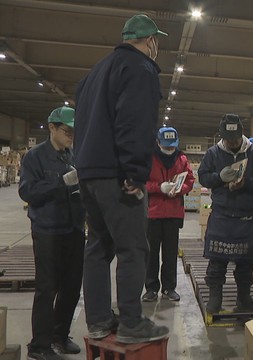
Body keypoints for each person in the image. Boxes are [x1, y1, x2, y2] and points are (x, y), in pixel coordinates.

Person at [74, 14, 170, 343]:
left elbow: (84, 123)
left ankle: (99, 319)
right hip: (116, 173)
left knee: (98, 246)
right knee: (133, 248)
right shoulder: (139, 69)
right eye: (156, 42)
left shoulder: (95, 72)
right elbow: (134, 123)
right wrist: (135, 172)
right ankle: (132, 322)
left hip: (89, 172)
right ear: (150, 41)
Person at [19, 106, 85, 359]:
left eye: (73, 132)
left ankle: (59, 335)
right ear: (52, 128)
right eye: (66, 131)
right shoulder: (35, 157)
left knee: (71, 287)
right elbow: (27, 192)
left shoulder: (73, 155)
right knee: (47, 289)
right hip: (48, 230)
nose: (70, 136)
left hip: (74, 228)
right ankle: (40, 345)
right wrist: (60, 183)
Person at [198, 114, 253, 314]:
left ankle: (244, 297)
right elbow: (203, 177)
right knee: (217, 260)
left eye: (235, 139)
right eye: (228, 139)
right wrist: (219, 178)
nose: (232, 143)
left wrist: (245, 183)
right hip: (221, 213)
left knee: (246, 262)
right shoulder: (213, 153)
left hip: (245, 216)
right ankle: (215, 297)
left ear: (241, 134)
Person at [142, 127, 195, 302]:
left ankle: (169, 287)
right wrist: (159, 188)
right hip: (153, 213)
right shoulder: (149, 159)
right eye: (166, 146)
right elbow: (142, 182)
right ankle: (151, 288)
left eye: (172, 147)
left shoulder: (182, 159)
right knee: (151, 253)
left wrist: (179, 190)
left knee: (170, 253)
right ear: (157, 142)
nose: (170, 150)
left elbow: (190, 180)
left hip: (173, 213)